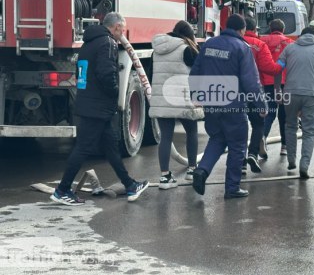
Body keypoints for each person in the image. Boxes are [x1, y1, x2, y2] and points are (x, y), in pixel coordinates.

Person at [51, 12, 149, 205]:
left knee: (111, 147)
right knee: (83, 148)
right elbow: (106, 73)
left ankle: (130, 185)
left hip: (90, 103)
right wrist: (114, 93)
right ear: (118, 27)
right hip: (98, 106)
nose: (123, 32)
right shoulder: (108, 43)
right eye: (123, 28)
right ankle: (62, 190)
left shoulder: (89, 42)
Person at [189, 14, 267, 199]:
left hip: (212, 101)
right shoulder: (242, 48)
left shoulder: (208, 44)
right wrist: (261, 104)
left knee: (217, 138)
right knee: (238, 144)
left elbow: (195, 72)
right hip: (233, 104)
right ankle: (232, 188)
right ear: (241, 30)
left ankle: (202, 171)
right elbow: (251, 81)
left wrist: (197, 95)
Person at [149, 20, 204, 189]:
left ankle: (165, 177)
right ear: (189, 35)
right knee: (191, 132)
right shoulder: (188, 50)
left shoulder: (156, 51)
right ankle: (192, 170)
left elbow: (152, 74)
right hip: (182, 99)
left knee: (166, 137)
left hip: (162, 99)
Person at [275, 26, 314, 179]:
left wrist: (277, 91)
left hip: (290, 94)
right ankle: (304, 165)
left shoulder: (289, 49)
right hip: (312, 96)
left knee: (290, 126)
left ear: (301, 36)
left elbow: (277, 68)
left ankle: (291, 159)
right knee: (309, 132)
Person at [242, 17, 282, 174]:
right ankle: (252, 153)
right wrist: (282, 65)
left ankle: (240, 163)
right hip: (255, 89)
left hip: (233, 90)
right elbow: (270, 68)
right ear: (254, 29)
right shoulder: (259, 45)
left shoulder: (231, 43)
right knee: (258, 124)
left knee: (238, 124)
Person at [260, 19, 293, 157]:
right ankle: (284, 146)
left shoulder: (263, 41)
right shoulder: (290, 43)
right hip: (285, 83)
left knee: (269, 112)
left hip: (267, 82)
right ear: (283, 29)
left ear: (270, 28)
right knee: (284, 116)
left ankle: (262, 137)